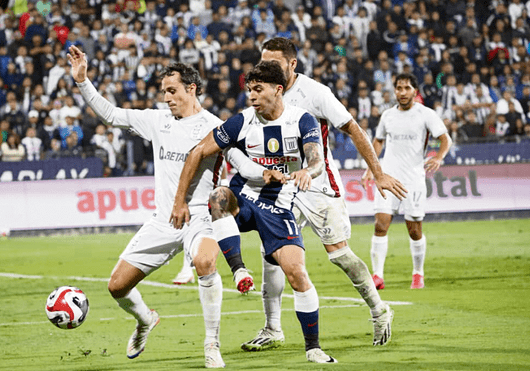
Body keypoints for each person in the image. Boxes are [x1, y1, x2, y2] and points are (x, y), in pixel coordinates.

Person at [204, 37, 405, 351]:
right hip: (277, 187)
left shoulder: (316, 93)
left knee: (339, 253)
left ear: (292, 64)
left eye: (274, 63)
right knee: (272, 256)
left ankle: (379, 309)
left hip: (317, 184)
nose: (266, 68)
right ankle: (272, 328)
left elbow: (351, 127)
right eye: (263, 62)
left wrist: (377, 172)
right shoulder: (263, 90)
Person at [68, 45, 226, 368]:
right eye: (163, 92)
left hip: (198, 218)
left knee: (206, 260)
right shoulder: (157, 121)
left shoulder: (215, 126)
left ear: (191, 88)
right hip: (164, 221)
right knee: (117, 286)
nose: (166, 98)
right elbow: (111, 114)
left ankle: (212, 343)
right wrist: (83, 81)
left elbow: (239, 161)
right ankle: (145, 320)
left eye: (172, 91)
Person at [171, 60, 336, 364]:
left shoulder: (303, 120)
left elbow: (316, 161)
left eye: (258, 90)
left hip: (280, 205)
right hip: (245, 197)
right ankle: (238, 270)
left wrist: (307, 173)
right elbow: (198, 151)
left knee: (297, 273)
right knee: (219, 195)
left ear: (278, 89)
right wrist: (180, 199)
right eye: (249, 90)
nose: (252, 96)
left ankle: (313, 348)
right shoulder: (241, 122)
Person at [362, 73, 451, 290]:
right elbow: (378, 141)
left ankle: (418, 273)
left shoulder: (426, 114)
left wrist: (439, 157)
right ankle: (378, 276)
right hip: (388, 178)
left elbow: (445, 139)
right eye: (399, 88)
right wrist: (371, 169)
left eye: (407, 88)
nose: (402, 92)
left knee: (414, 230)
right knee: (380, 225)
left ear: (415, 91)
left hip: (413, 180)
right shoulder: (388, 116)